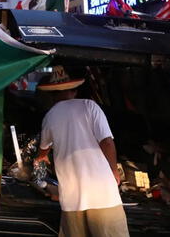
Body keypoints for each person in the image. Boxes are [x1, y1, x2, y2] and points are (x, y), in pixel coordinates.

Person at [34, 66, 128, 237]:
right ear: (75, 91)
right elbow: (107, 142)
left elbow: (44, 147)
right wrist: (114, 170)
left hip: (72, 199)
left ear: (52, 95)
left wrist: (40, 157)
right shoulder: (90, 106)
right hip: (103, 195)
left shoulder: (50, 115)